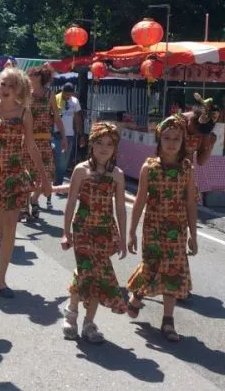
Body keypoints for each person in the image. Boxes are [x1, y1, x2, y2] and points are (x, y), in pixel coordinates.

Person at [0, 67, 51, 298]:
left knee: (9, 228)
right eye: (3, 84)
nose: (6, 88)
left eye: (11, 85)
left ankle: (1, 281)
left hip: (16, 176)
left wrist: (44, 177)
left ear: (18, 88)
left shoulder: (24, 113)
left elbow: (31, 145)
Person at [125, 114, 198, 342]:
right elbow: (139, 201)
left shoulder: (187, 169)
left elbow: (190, 203)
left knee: (173, 271)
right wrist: (131, 231)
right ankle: (137, 294)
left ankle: (168, 321)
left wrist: (193, 235)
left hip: (178, 230)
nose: (172, 143)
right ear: (159, 139)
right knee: (152, 266)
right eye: (167, 137)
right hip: (153, 228)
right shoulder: (150, 167)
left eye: (177, 138)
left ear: (183, 141)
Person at [59, 122, 127, 344]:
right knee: (87, 271)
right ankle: (72, 315)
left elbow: (119, 208)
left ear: (115, 148)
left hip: (106, 231)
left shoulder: (117, 175)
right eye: (99, 143)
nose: (104, 148)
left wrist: (123, 239)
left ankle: (88, 322)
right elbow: (70, 202)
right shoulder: (81, 170)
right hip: (83, 229)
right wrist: (65, 232)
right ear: (91, 145)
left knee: (97, 275)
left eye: (109, 144)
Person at [25, 65, 67, 219]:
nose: (30, 76)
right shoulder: (25, 95)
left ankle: (34, 199)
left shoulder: (49, 94)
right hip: (28, 140)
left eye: (33, 74)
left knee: (47, 175)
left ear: (40, 77)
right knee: (27, 175)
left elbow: (57, 117)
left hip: (44, 140)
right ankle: (25, 207)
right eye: (30, 74)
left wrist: (63, 137)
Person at [53, 83, 82, 187]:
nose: (67, 96)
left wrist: (80, 134)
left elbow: (78, 117)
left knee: (65, 161)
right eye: (66, 94)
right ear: (62, 92)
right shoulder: (56, 99)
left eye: (69, 94)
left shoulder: (75, 101)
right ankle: (57, 183)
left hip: (70, 135)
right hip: (57, 134)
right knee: (59, 159)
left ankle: (57, 182)